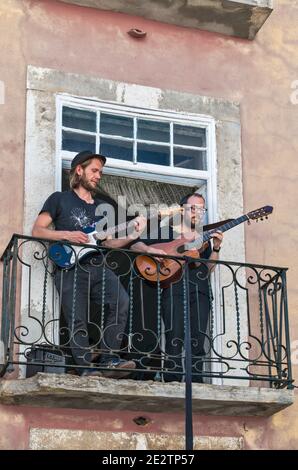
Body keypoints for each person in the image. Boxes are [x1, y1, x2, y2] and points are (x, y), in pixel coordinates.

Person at [32, 150, 147, 378]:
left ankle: (109, 359)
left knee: (121, 302)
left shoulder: (103, 206)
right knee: (77, 318)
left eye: (100, 172)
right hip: (70, 267)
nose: (98, 176)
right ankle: (85, 368)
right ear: (79, 170)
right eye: (94, 170)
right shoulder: (59, 199)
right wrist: (69, 235)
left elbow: (110, 243)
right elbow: (37, 230)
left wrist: (134, 234)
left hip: (98, 265)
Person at [131, 192, 223, 382]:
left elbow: (208, 269)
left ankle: (197, 382)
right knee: (174, 335)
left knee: (198, 339)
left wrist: (216, 248)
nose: (198, 213)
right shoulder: (168, 232)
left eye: (202, 209)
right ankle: (172, 379)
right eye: (193, 208)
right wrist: (150, 250)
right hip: (174, 288)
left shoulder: (203, 237)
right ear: (182, 210)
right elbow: (135, 245)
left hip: (200, 290)